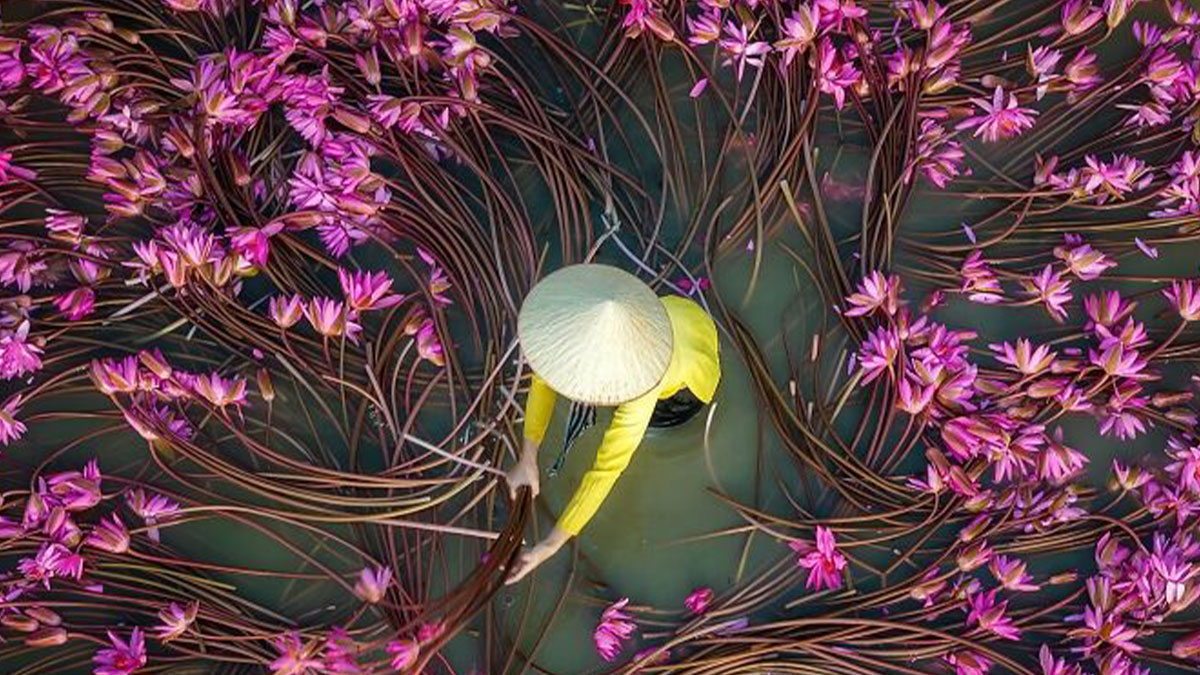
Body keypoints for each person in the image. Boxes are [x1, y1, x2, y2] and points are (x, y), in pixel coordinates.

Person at [504, 264, 721, 583]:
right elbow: (544, 378)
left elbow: (606, 469)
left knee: (654, 425)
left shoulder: (642, 390)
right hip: (671, 312)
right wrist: (528, 455)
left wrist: (551, 544)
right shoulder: (578, 319)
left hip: (692, 371)